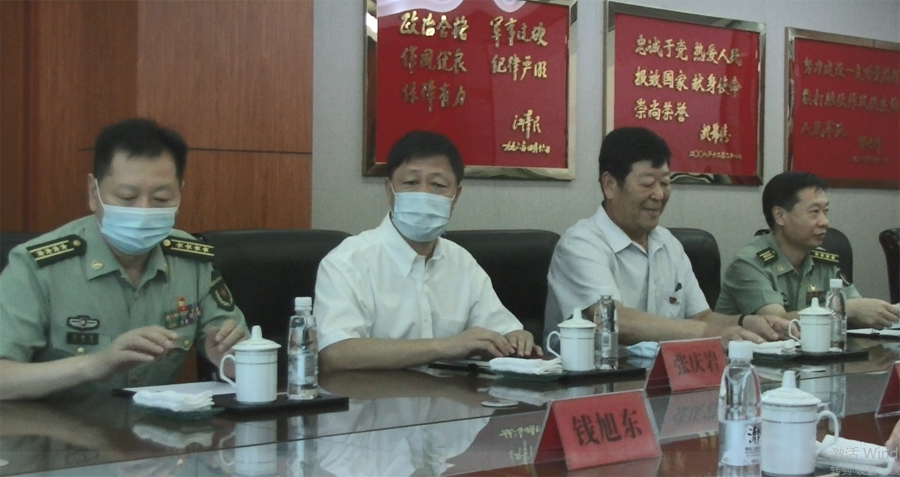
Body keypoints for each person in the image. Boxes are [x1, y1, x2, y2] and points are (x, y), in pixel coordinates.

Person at [0, 118, 248, 400]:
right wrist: (94, 365)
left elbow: (238, 349)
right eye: (127, 197)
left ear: (180, 192)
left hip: (156, 425)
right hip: (57, 426)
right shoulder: (38, 266)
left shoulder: (191, 260)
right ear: (93, 193)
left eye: (161, 199)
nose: (143, 211)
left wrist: (233, 359)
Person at [314, 130, 540, 371]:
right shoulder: (347, 261)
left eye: (438, 185)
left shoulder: (462, 262)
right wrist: (443, 347)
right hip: (375, 395)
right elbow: (335, 354)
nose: (423, 194)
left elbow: (501, 330)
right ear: (389, 190)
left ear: (455, 197)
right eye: (411, 183)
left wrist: (515, 337)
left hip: (453, 394)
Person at [545, 127, 790, 346]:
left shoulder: (669, 243)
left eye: (665, 183)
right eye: (647, 184)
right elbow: (616, 321)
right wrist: (710, 334)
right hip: (594, 379)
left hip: (662, 375)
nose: (659, 195)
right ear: (610, 185)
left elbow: (702, 316)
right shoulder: (580, 244)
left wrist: (746, 322)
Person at [716, 171, 899, 329]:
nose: (824, 222)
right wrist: (846, 309)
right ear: (780, 216)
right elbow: (777, 323)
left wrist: (878, 312)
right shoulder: (749, 264)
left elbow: (858, 309)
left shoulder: (823, 261)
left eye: (825, 211)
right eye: (814, 212)